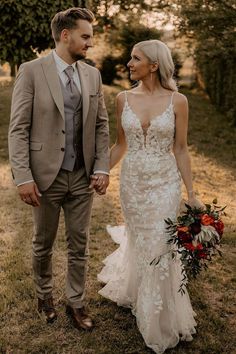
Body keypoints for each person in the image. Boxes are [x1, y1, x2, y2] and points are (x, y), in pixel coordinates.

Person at [98, 39, 203, 353]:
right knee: (142, 241)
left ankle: (157, 317)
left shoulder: (178, 101)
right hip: (133, 184)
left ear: (154, 65)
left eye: (135, 58)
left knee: (160, 243)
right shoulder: (122, 98)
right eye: (131, 58)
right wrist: (101, 172)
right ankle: (138, 290)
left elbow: (181, 149)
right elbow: (120, 146)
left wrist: (192, 192)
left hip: (164, 182)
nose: (129, 63)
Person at [8, 7, 109, 330]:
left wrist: (102, 167)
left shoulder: (92, 74)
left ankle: (76, 302)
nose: (90, 43)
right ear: (65, 36)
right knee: (43, 242)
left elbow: (102, 125)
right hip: (44, 175)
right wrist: (23, 176)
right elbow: (18, 128)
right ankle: (44, 296)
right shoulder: (32, 70)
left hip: (82, 176)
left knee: (79, 243)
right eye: (85, 36)